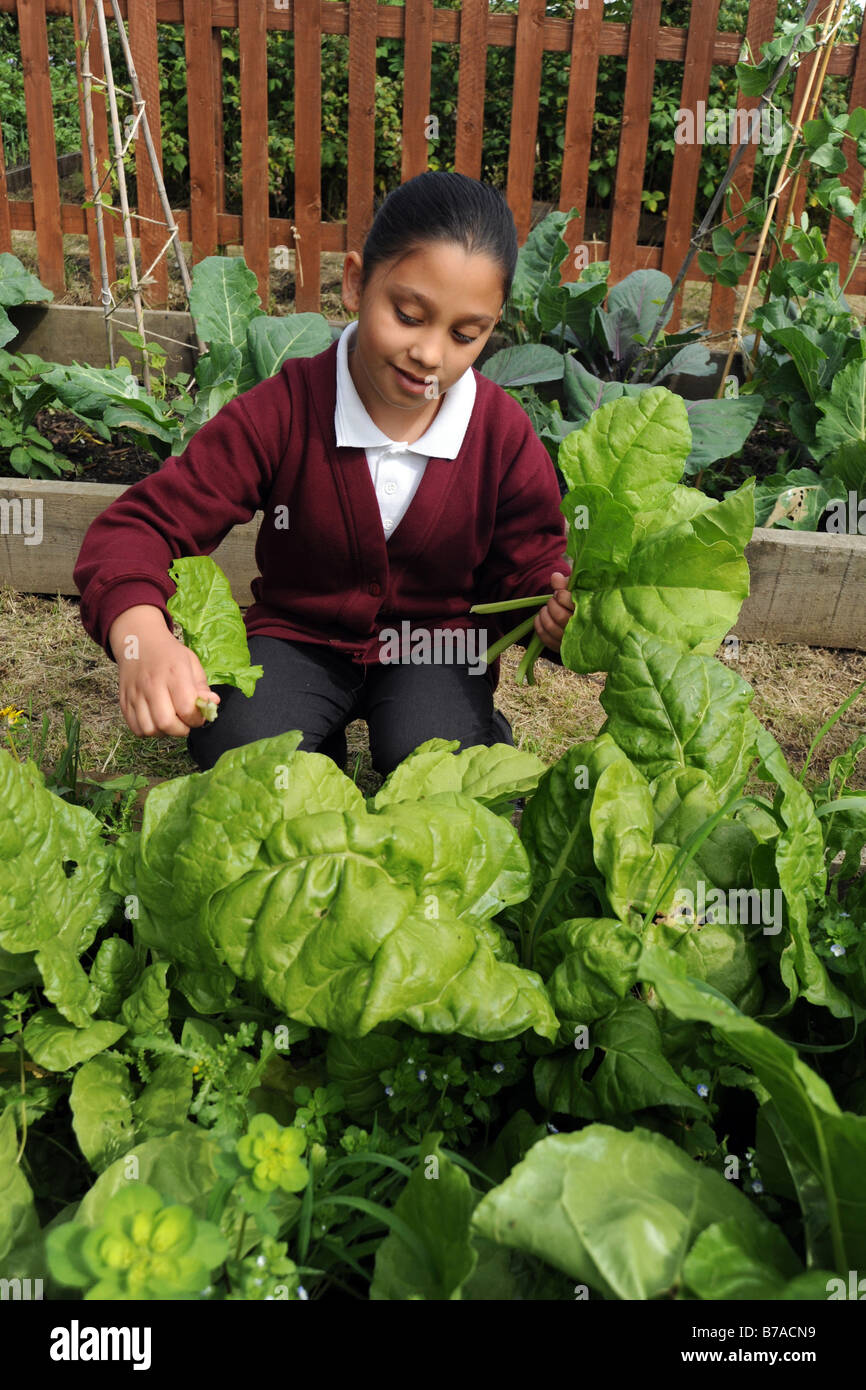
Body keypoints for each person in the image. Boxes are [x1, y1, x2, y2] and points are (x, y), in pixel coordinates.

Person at [74, 171, 574, 777]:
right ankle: (314, 747)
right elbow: (141, 526)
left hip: (437, 646)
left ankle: (474, 728)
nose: (431, 355)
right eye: (409, 315)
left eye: (466, 335)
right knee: (243, 755)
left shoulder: (500, 432)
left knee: (443, 770)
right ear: (358, 282)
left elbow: (527, 567)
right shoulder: (283, 410)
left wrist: (549, 607)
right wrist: (142, 635)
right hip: (297, 638)